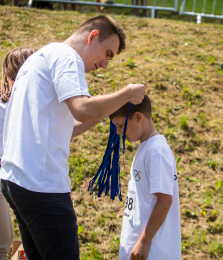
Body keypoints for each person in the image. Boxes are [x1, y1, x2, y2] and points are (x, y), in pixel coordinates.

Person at [0, 15, 145, 260]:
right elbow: (83, 108)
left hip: (17, 183)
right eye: (108, 53)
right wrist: (127, 93)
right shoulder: (67, 56)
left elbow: (66, 128)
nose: (105, 65)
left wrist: (105, 110)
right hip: (42, 187)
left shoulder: (37, 60)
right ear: (93, 36)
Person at [110, 95, 181, 260]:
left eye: (120, 125)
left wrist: (145, 240)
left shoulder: (156, 151)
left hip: (153, 251)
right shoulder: (146, 147)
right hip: (138, 249)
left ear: (137, 117)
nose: (118, 132)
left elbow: (165, 201)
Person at [0, 47, 35, 260]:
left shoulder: (27, 105)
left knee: (20, 239)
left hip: (20, 180)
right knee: (5, 243)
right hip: (10, 178)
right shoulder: (5, 105)